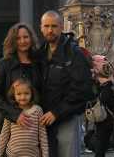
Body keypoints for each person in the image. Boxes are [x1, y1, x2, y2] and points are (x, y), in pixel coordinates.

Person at [37, 11, 93, 157]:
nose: (50, 30)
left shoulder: (75, 53)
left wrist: (57, 112)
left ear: (62, 27)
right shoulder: (40, 53)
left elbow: (82, 90)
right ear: (41, 28)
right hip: (45, 118)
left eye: (54, 26)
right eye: (47, 26)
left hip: (66, 116)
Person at [0, 23, 43, 148]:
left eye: (26, 37)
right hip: (9, 126)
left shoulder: (39, 64)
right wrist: (15, 115)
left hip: (34, 126)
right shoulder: (2, 64)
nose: (22, 41)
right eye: (18, 38)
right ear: (13, 41)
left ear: (31, 38)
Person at [0, 78, 48, 157]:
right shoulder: (11, 111)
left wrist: (45, 155)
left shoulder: (38, 110)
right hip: (12, 154)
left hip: (32, 155)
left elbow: (42, 135)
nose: (23, 97)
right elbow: (4, 134)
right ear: (14, 95)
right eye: (19, 94)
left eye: (26, 93)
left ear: (32, 93)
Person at [92, 68, 114, 157]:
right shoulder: (107, 88)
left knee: (101, 144)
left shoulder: (102, 89)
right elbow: (108, 101)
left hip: (102, 118)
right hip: (106, 119)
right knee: (102, 144)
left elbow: (104, 100)